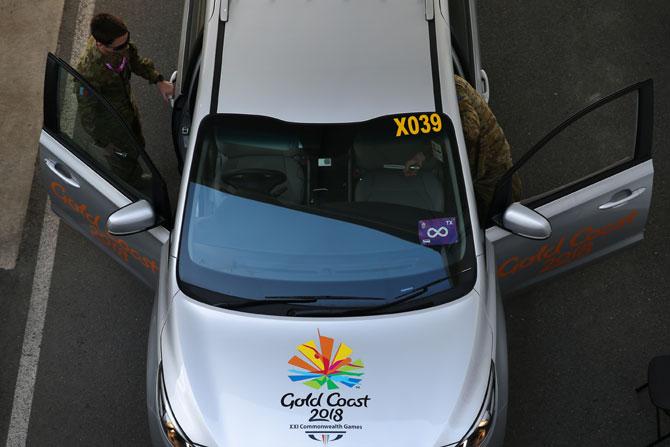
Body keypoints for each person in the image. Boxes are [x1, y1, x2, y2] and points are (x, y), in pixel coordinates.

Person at [404, 75, 522, 221]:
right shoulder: (435, 89)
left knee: (503, 218)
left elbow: (470, 131)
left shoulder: (452, 88)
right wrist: (422, 155)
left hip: (490, 165)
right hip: (472, 168)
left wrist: (443, 149)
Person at [75, 13, 174, 186]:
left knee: (136, 146)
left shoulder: (120, 44)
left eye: (127, 41)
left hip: (128, 111)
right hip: (112, 127)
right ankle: (131, 188)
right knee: (122, 161)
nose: (126, 48)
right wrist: (104, 143)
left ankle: (135, 176)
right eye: (120, 47)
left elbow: (136, 62)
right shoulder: (88, 72)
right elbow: (87, 112)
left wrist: (158, 80)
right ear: (101, 45)